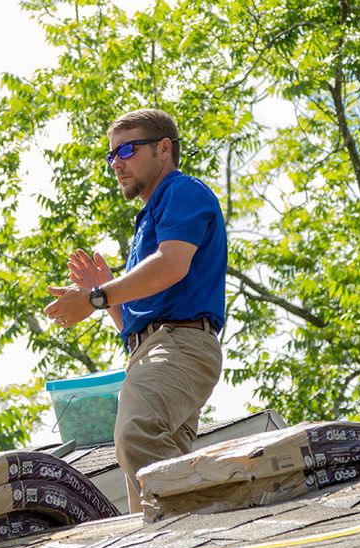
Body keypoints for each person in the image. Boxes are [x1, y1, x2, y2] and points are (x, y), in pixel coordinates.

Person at [43, 108, 226, 513]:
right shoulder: (148, 222)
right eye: (110, 155)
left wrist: (97, 296)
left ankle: (203, 533)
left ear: (163, 148)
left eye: (127, 149)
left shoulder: (182, 192)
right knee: (151, 492)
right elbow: (135, 325)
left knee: (136, 438)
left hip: (178, 347)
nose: (116, 163)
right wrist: (106, 298)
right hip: (153, 350)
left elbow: (173, 265)